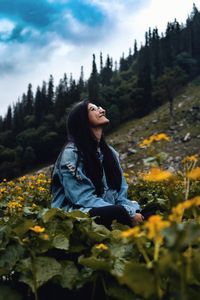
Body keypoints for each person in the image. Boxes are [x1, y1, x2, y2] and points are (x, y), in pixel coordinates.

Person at [51, 100, 148, 228]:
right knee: (119, 212)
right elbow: (82, 198)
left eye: (99, 108)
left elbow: (120, 193)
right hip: (75, 215)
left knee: (155, 209)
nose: (102, 110)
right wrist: (128, 213)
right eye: (93, 109)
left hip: (108, 210)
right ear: (83, 120)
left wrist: (134, 211)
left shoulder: (110, 153)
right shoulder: (71, 154)